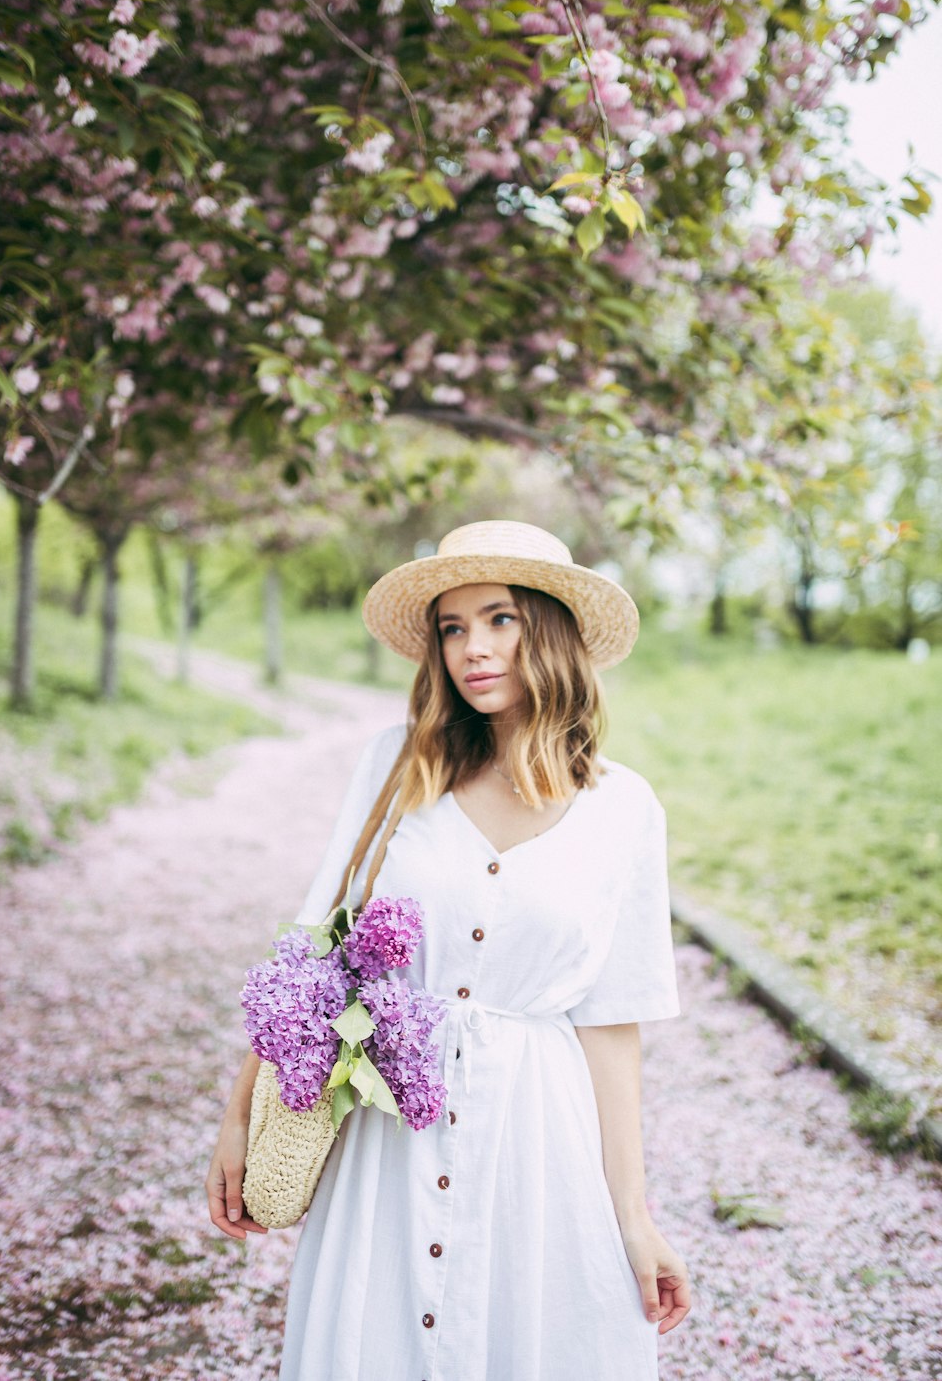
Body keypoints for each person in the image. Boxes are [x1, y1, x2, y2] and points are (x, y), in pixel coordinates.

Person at [206, 519, 692, 1380]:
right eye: (453, 627)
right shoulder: (394, 768)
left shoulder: (626, 809)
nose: (474, 648)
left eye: (500, 619)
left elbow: (613, 1023)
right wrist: (240, 1116)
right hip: (389, 1135)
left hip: (539, 1143)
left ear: (550, 629)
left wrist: (634, 1216)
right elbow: (311, 963)